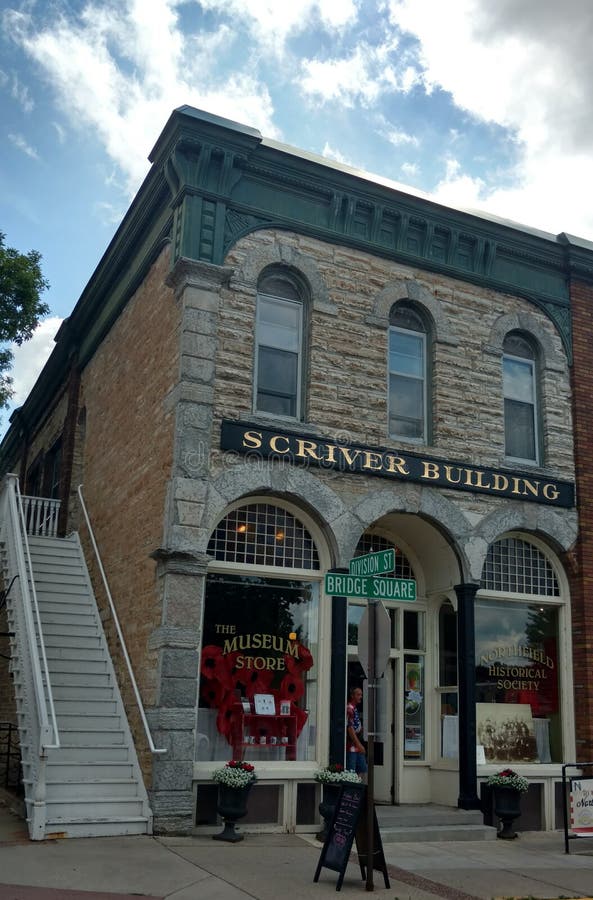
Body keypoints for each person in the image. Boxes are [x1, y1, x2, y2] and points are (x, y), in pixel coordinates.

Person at [346, 686, 367, 775]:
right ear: (352, 696)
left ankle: (358, 784)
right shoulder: (349, 708)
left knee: (362, 768)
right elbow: (350, 728)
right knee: (351, 771)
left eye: (361, 695)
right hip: (351, 745)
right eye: (358, 695)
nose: (360, 697)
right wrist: (359, 745)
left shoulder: (354, 708)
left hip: (357, 744)